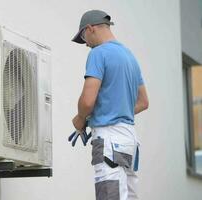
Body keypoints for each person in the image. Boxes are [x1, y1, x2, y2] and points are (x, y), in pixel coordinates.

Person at [71, 10, 149, 200]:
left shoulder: (98, 53)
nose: (86, 44)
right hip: (129, 140)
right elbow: (143, 102)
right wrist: (114, 110)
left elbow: (88, 101)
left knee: (110, 196)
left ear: (90, 28)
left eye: (83, 37)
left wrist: (81, 119)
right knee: (129, 196)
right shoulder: (129, 56)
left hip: (109, 140)